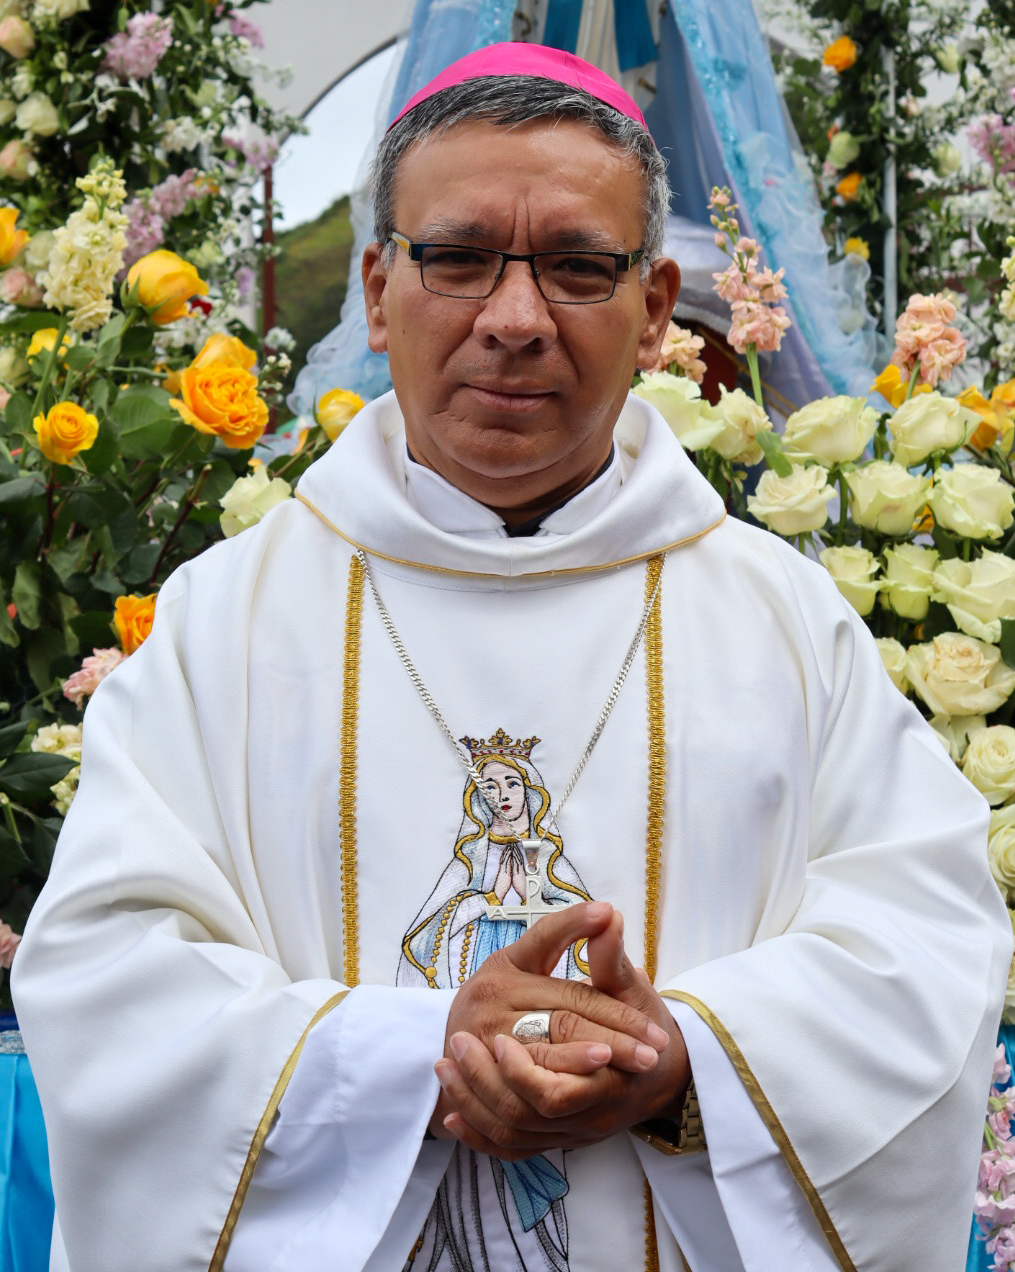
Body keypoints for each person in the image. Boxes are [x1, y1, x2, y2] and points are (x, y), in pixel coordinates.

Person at [12, 41, 1011, 1272]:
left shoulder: (781, 623)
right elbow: (105, 976)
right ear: (377, 289)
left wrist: (685, 1061)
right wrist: (420, 1061)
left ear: (653, 314)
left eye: (579, 268)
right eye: (460, 257)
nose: (516, 317)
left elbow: (926, 943)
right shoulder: (226, 624)